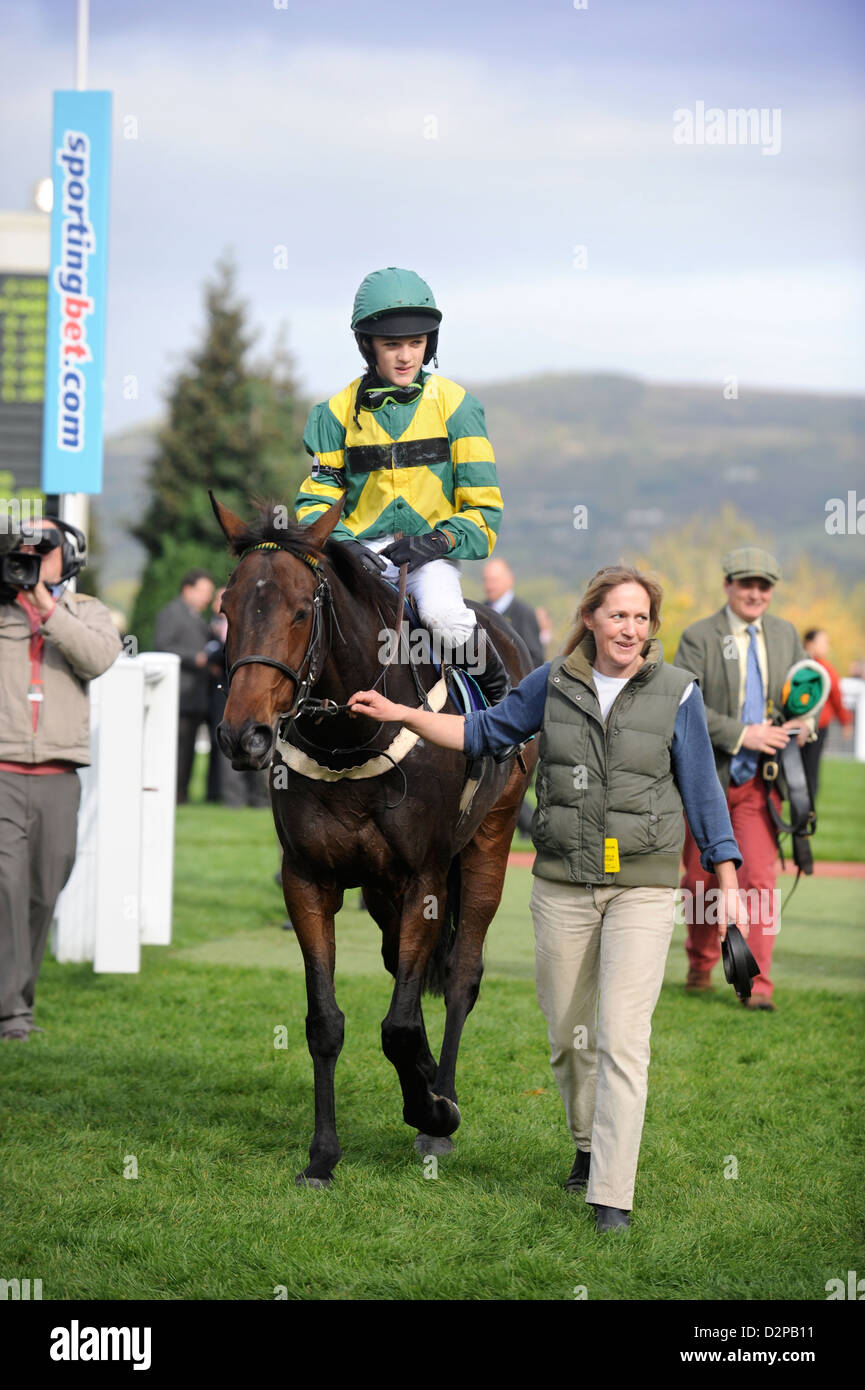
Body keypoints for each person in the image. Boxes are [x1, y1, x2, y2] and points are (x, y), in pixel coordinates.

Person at [348, 565, 745, 1233]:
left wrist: (727, 883)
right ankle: (587, 1145)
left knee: (623, 1040)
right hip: (562, 884)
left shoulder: (677, 693)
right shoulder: (551, 683)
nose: (630, 628)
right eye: (617, 615)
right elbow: (482, 732)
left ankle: (611, 1196)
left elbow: (703, 791)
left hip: (642, 890)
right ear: (590, 618)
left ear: (652, 627)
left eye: (641, 618)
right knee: (568, 1036)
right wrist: (400, 714)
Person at [294, 266, 510, 704]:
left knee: (444, 618)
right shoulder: (334, 415)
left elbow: (484, 512)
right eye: (392, 344)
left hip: (429, 557)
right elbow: (316, 500)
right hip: (359, 555)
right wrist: (343, 545)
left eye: (416, 343)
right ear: (367, 345)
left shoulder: (459, 407)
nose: (406, 356)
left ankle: (502, 712)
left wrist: (435, 542)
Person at [0, 515, 121, 1040]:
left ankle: (15, 1001)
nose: (33, 553)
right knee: (6, 886)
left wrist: (46, 605)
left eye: (44, 546)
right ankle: (13, 1016)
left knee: (42, 892)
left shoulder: (85, 611)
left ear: (67, 557)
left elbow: (98, 658)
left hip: (58, 775)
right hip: (3, 770)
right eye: (24, 545)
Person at [675, 548, 811, 1012]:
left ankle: (759, 985)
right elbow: (686, 708)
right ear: (728, 585)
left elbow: (801, 696)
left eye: (764, 585)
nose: (756, 593)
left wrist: (803, 721)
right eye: (746, 583)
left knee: (758, 879)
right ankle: (700, 966)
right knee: (699, 882)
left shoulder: (786, 635)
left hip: (759, 785)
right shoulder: (698, 636)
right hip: (705, 781)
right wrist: (744, 734)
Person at [154, 569, 215, 804]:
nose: (207, 598)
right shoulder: (172, 613)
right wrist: (195, 657)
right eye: (203, 592)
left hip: (196, 695)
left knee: (188, 748)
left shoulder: (198, 617)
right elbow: (162, 645)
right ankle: (173, 794)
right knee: (177, 748)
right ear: (188, 589)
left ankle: (182, 794)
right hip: (179, 694)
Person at [801, 628, 853, 798]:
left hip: (818, 726)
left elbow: (837, 697)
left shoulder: (825, 668)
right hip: (795, 725)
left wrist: (845, 721)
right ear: (810, 643)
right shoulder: (802, 664)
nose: (827, 647)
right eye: (824, 642)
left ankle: (807, 810)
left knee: (810, 768)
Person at [482, 557, 545, 669]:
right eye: (486, 580)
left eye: (494, 580)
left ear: (510, 580)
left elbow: (535, 658)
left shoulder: (524, 613)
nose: (489, 586)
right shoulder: (479, 611)